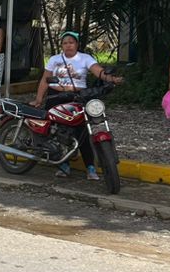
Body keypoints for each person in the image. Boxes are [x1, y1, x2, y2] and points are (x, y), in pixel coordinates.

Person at [34, 30, 124, 180]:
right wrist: (38, 99)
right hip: (56, 96)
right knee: (56, 130)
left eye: (71, 42)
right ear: (61, 45)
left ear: (76, 44)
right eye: (65, 43)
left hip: (78, 97)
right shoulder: (54, 59)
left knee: (82, 131)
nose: (68, 45)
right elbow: (45, 79)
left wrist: (112, 79)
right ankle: (62, 164)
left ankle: (90, 166)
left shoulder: (85, 58)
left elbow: (99, 72)